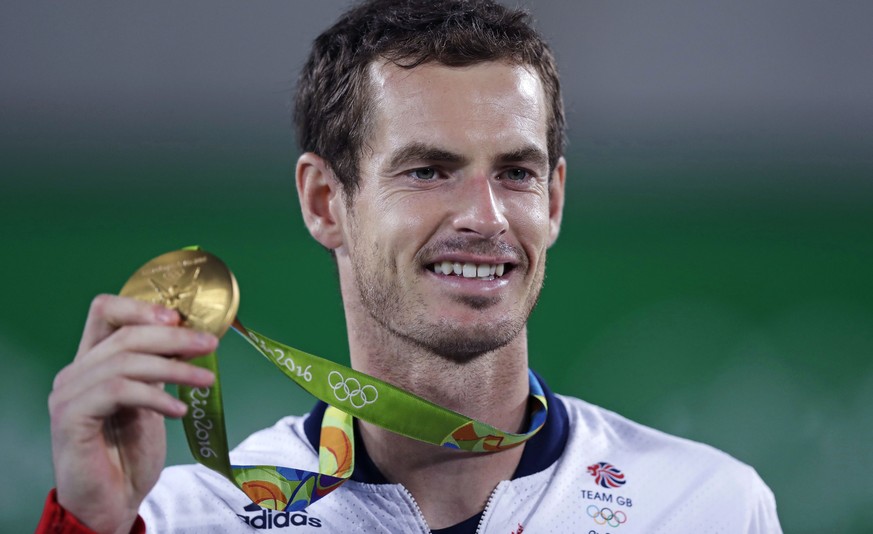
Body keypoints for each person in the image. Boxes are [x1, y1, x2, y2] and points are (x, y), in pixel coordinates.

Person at [39, 0, 782, 532]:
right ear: (325, 200)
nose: (484, 218)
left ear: (554, 199)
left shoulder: (705, 505)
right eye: (428, 171)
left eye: (516, 174)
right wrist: (91, 527)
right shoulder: (185, 517)